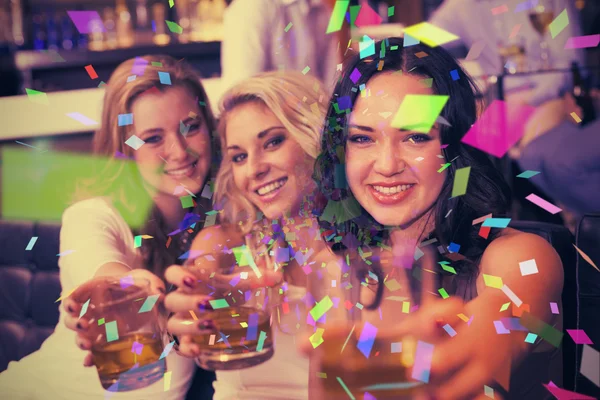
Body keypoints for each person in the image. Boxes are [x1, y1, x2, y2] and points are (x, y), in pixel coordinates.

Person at [307, 37, 564, 399]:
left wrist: (480, 333)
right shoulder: (336, 272)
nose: (386, 166)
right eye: (363, 139)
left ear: (454, 147)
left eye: (414, 137)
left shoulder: (519, 257)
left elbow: (504, 315)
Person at [0, 55, 219, 399]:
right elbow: (101, 268)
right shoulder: (92, 214)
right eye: (152, 138)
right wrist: (121, 290)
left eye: (191, 126)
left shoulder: (221, 219)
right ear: (124, 150)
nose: (178, 151)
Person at [162, 71, 331, 399]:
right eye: (239, 156)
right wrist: (190, 309)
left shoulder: (372, 254)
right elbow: (200, 280)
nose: (254, 169)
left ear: (315, 137)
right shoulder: (226, 243)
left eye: (272, 142)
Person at [430, 0, 584, 107]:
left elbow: (569, 64)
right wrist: (405, 36)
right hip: (498, 104)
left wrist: (530, 99)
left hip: (552, 99)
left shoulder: (550, 5)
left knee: (531, 151)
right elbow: (424, 37)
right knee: (468, 148)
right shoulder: (460, 5)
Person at [221, 0, 339, 92]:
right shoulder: (250, 8)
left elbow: (331, 84)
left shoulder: (322, 8)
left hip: (313, 118)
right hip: (269, 120)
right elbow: (241, 93)